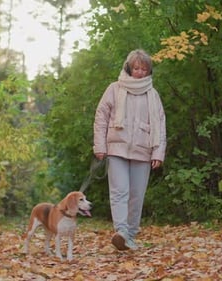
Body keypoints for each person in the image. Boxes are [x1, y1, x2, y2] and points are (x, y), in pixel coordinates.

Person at [93, 49, 166, 251]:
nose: (140, 72)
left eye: (144, 68)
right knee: (119, 192)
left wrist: (158, 152)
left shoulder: (153, 94)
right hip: (116, 148)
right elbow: (101, 117)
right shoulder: (114, 89)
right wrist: (100, 145)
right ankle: (122, 232)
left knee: (137, 194)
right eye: (136, 68)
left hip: (143, 151)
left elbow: (160, 124)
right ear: (129, 68)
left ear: (149, 70)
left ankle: (130, 236)